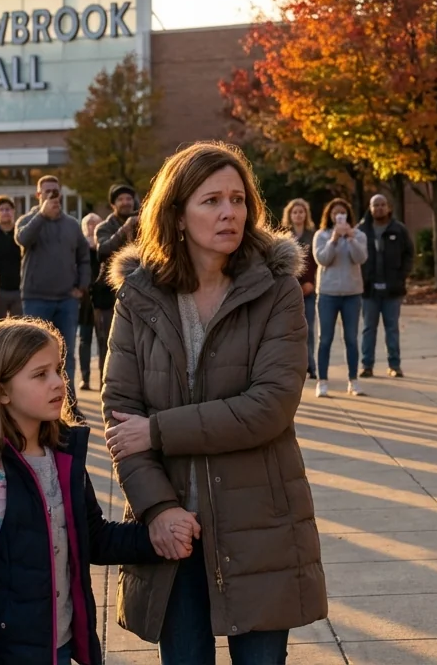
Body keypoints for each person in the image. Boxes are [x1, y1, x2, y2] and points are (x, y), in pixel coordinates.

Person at [100, 141, 326, 664]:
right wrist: (158, 510)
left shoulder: (276, 291)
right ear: (177, 215)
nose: (230, 212)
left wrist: (158, 431)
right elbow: (121, 418)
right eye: (212, 201)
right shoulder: (139, 297)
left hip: (260, 526)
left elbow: (269, 407)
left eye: (238, 199)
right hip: (175, 532)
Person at [0, 318, 161, 665]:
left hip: (55, 647)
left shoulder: (61, 457)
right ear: (1, 391)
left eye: (58, 370)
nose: (58, 383)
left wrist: (157, 537)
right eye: (40, 375)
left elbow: (92, 537)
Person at [17, 176, 91, 409]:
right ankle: (35, 403)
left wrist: (82, 286)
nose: (52, 196)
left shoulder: (71, 225)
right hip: (36, 299)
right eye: (47, 192)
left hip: (66, 300)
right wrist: (42, 215)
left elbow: (84, 257)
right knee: (34, 354)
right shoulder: (28, 220)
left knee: (65, 354)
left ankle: (69, 405)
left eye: (55, 192)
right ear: (38, 195)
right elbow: (23, 239)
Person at [313, 198, 369, 398]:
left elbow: (360, 258)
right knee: (325, 339)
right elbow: (322, 259)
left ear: (348, 215)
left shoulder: (359, 235)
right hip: (328, 294)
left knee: (351, 339)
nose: (339, 216)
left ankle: (353, 381)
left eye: (342, 213)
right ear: (329, 215)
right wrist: (334, 239)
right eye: (335, 213)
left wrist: (351, 238)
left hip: (352, 294)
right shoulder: (321, 235)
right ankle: (322, 381)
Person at [359, 194, 413, 379]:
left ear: (389, 207)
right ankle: (367, 365)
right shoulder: (361, 230)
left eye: (383, 204)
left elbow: (409, 254)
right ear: (370, 208)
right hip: (369, 290)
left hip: (393, 290)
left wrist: (401, 275)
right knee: (368, 329)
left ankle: (394, 365)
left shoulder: (399, 229)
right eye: (376, 205)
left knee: (392, 328)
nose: (379, 208)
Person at [95, 184, 139, 383]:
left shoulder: (144, 223)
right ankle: (107, 384)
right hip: (109, 293)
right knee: (109, 342)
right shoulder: (104, 227)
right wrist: (125, 229)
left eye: (128, 198)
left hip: (138, 290)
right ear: (113, 204)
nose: (125, 202)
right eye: (120, 199)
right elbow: (103, 250)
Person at [282, 197, 319, 379]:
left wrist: (312, 283)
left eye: (301, 212)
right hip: (289, 290)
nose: (298, 215)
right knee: (289, 330)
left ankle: (310, 365)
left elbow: (316, 263)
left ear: (306, 214)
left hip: (309, 290)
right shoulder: (284, 236)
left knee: (309, 329)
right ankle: (293, 366)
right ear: (290, 215)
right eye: (294, 212)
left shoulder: (313, 235)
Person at [77, 212, 105, 391]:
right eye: (88, 224)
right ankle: (85, 377)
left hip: (102, 299)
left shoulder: (105, 246)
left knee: (103, 340)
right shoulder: (80, 248)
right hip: (85, 300)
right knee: (84, 339)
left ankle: (104, 379)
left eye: (95, 223)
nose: (91, 227)